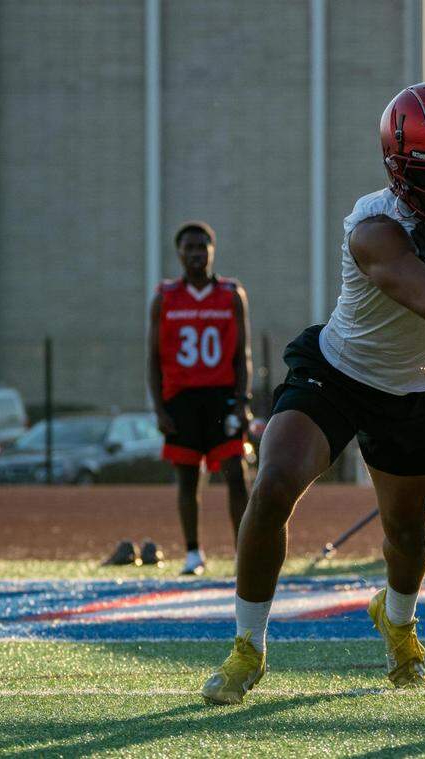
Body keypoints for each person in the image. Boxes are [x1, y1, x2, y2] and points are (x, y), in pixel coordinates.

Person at [200, 82, 425, 705]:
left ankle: (398, 622)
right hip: (339, 373)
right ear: (401, 169)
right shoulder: (376, 228)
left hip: (414, 389)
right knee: (271, 488)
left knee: (407, 533)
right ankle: (248, 646)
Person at [147, 221, 252, 576]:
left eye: (201, 247)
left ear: (212, 250)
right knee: (188, 478)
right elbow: (153, 357)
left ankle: (244, 552)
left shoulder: (230, 293)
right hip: (181, 398)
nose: (195, 254)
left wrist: (242, 400)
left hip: (221, 396)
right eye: (189, 248)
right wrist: (159, 408)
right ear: (179, 253)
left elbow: (242, 354)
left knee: (236, 474)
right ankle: (193, 553)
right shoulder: (164, 297)